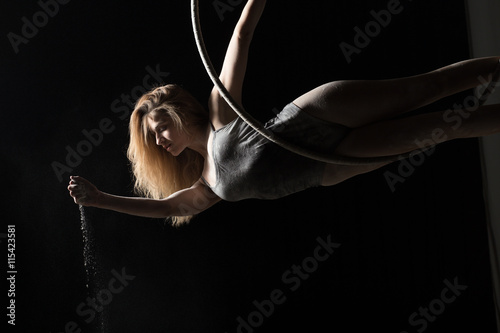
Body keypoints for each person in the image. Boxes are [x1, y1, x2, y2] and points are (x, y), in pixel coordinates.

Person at [68, 0, 500, 225]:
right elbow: (164, 209)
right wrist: (102, 200)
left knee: (428, 87)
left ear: (178, 112)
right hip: (325, 170)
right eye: (155, 141)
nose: (161, 141)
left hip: (320, 114)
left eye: (159, 128)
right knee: (445, 128)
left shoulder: (220, 112)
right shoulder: (207, 188)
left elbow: (242, 35)